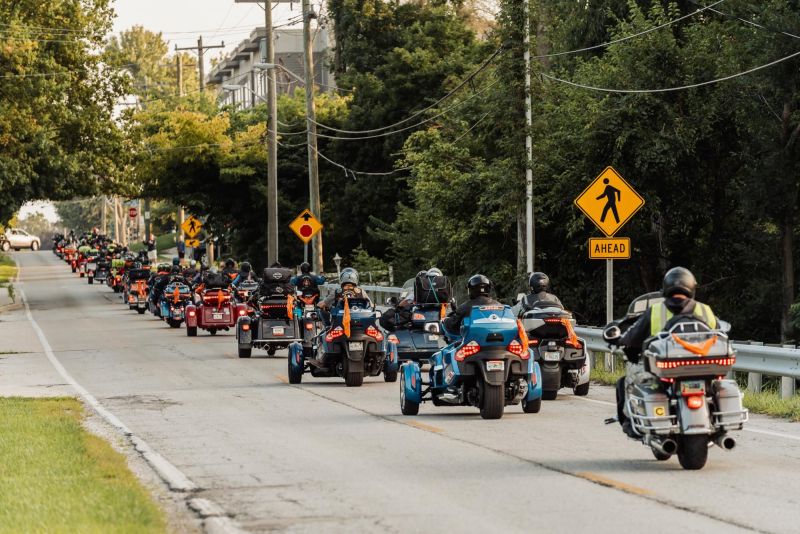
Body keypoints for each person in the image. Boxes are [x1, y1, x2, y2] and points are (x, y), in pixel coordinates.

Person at [614, 267, 718, 437]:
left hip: (666, 369)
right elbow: (719, 335)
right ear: (692, 287)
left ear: (665, 288)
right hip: (702, 368)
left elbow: (632, 337)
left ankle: (630, 423)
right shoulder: (705, 310)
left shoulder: (655, 310)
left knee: (628, 381)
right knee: (716, 387)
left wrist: (621, 341)